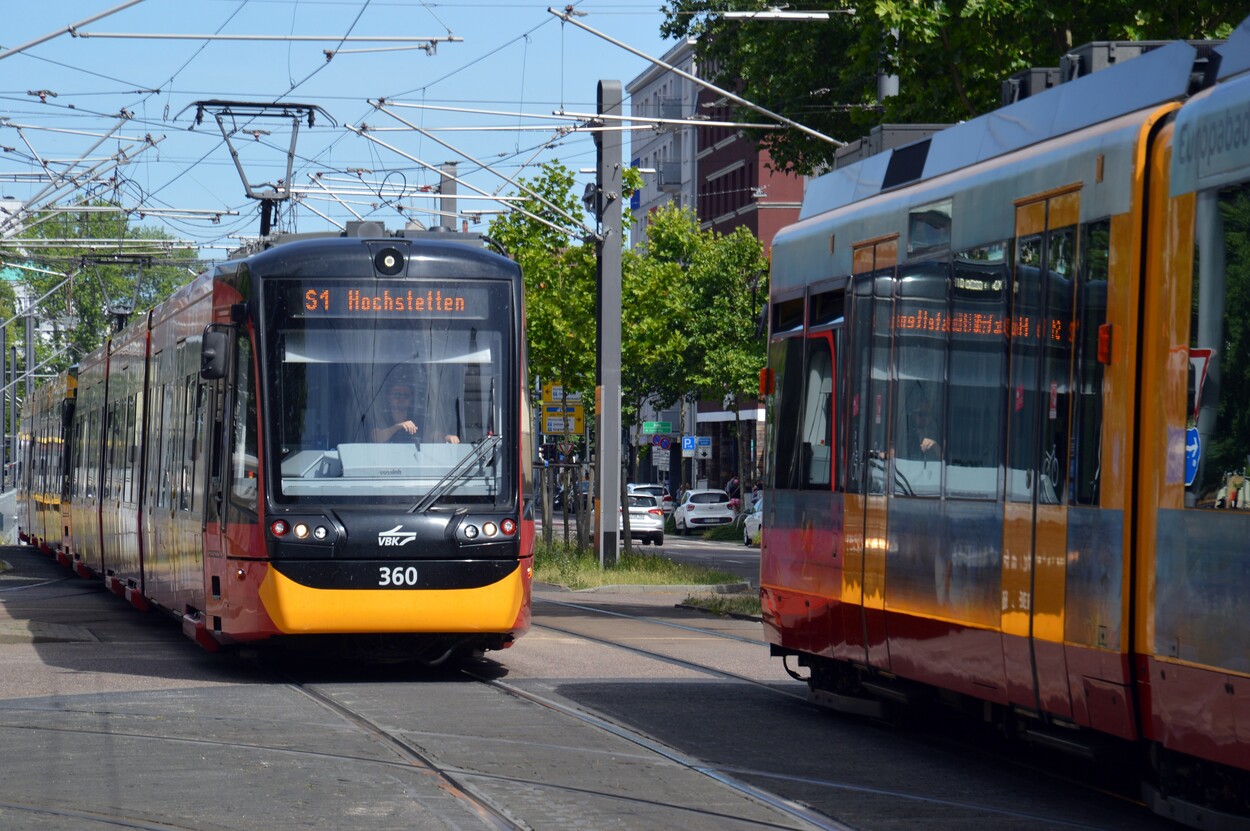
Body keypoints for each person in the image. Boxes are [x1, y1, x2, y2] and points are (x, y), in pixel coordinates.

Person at [370, 380, 460, 444]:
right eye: (397, 394)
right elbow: (376, 438)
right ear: (389, 397)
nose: (401, 398)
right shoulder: (381, 417)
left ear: (411, 399)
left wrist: (447, 437)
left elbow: (431, 435)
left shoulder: (417, 420)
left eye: (405, 395)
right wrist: (398, 426)